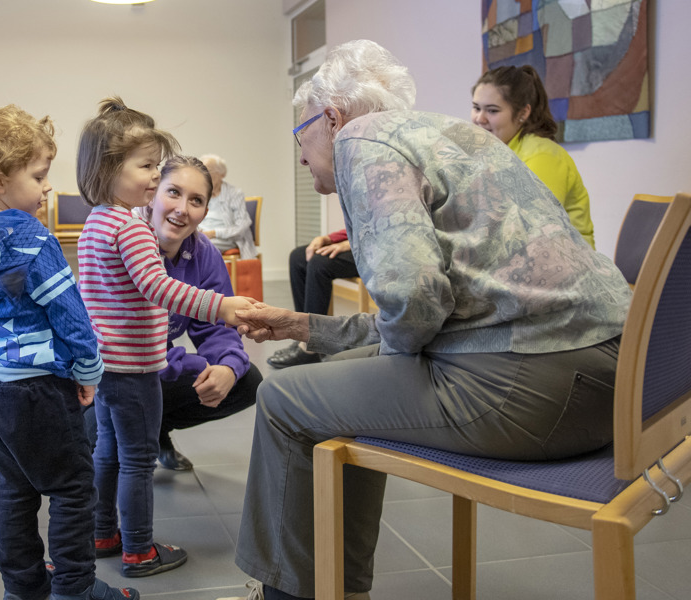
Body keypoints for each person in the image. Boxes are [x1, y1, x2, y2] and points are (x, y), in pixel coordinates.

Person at [227, 40, 631, 600]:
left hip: (532, 391)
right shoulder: (454, 135)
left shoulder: (360, 141)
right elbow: (434, 314)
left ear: (334, 118)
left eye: (302, 135)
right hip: (618, 383)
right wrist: (304, 327)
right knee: (344, 380)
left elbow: (414, 300)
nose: (301, 154)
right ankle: (334, 586)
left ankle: (293, 594)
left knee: (283, 401)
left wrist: (380, 361)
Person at [0, 105, 138, 600]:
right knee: (72, 488)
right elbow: (70, 312)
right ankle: (75, 589)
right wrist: (89, 369)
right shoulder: (35, 241)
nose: (48, 186)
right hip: (37, 389)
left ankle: (23, 589)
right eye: (39, 175)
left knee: (15, 487)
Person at [76, 97, 254, 578]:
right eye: (150, 169)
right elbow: (161, 289)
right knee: (136, 459)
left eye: (158, 167)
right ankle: (137, 550)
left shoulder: (95, 222)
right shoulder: (132, 230)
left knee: (109, 452)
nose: (155, 180)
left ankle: (103, 534)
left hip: (104, 363)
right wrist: (224, 306)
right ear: (113, 168)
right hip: (134, 365)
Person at [80, 156, 263, 470]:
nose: (182, 209)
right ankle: (142, 428)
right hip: (108, 372)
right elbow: (129, 342)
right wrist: (190, 363)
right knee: (93, 445)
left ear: (205, 212)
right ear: (152, 195)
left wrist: (226, 368)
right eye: (174, 193)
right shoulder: (124, 241)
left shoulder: (203, 253)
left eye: (196, 200)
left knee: (245, 381)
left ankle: (156, 427)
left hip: (154, 368)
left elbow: (217, 328)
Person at [471, 65, 596, 248]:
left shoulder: (542, 155)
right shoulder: (497, 151)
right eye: (476, 108)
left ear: (523, 113)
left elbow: (532, 230)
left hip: (565, 264)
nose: (480, 119)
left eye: (492, 111)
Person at [266, 228, 359, 368]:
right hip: (361, 241)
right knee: (298, 257)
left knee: (319, 263)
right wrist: (328, 238)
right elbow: (357, 224)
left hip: (379, 247)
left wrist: (353, 243)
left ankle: (312, 345)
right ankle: (301, 333)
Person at [197, 154, 257, 259]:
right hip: (201, 236)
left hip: (227, 239)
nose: (205, 175)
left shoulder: (234, 194)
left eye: (209, 170)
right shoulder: (200, 193)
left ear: (222, 174)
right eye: (202, 171)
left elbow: (242, 226)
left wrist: (213, 233)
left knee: (201, 246)